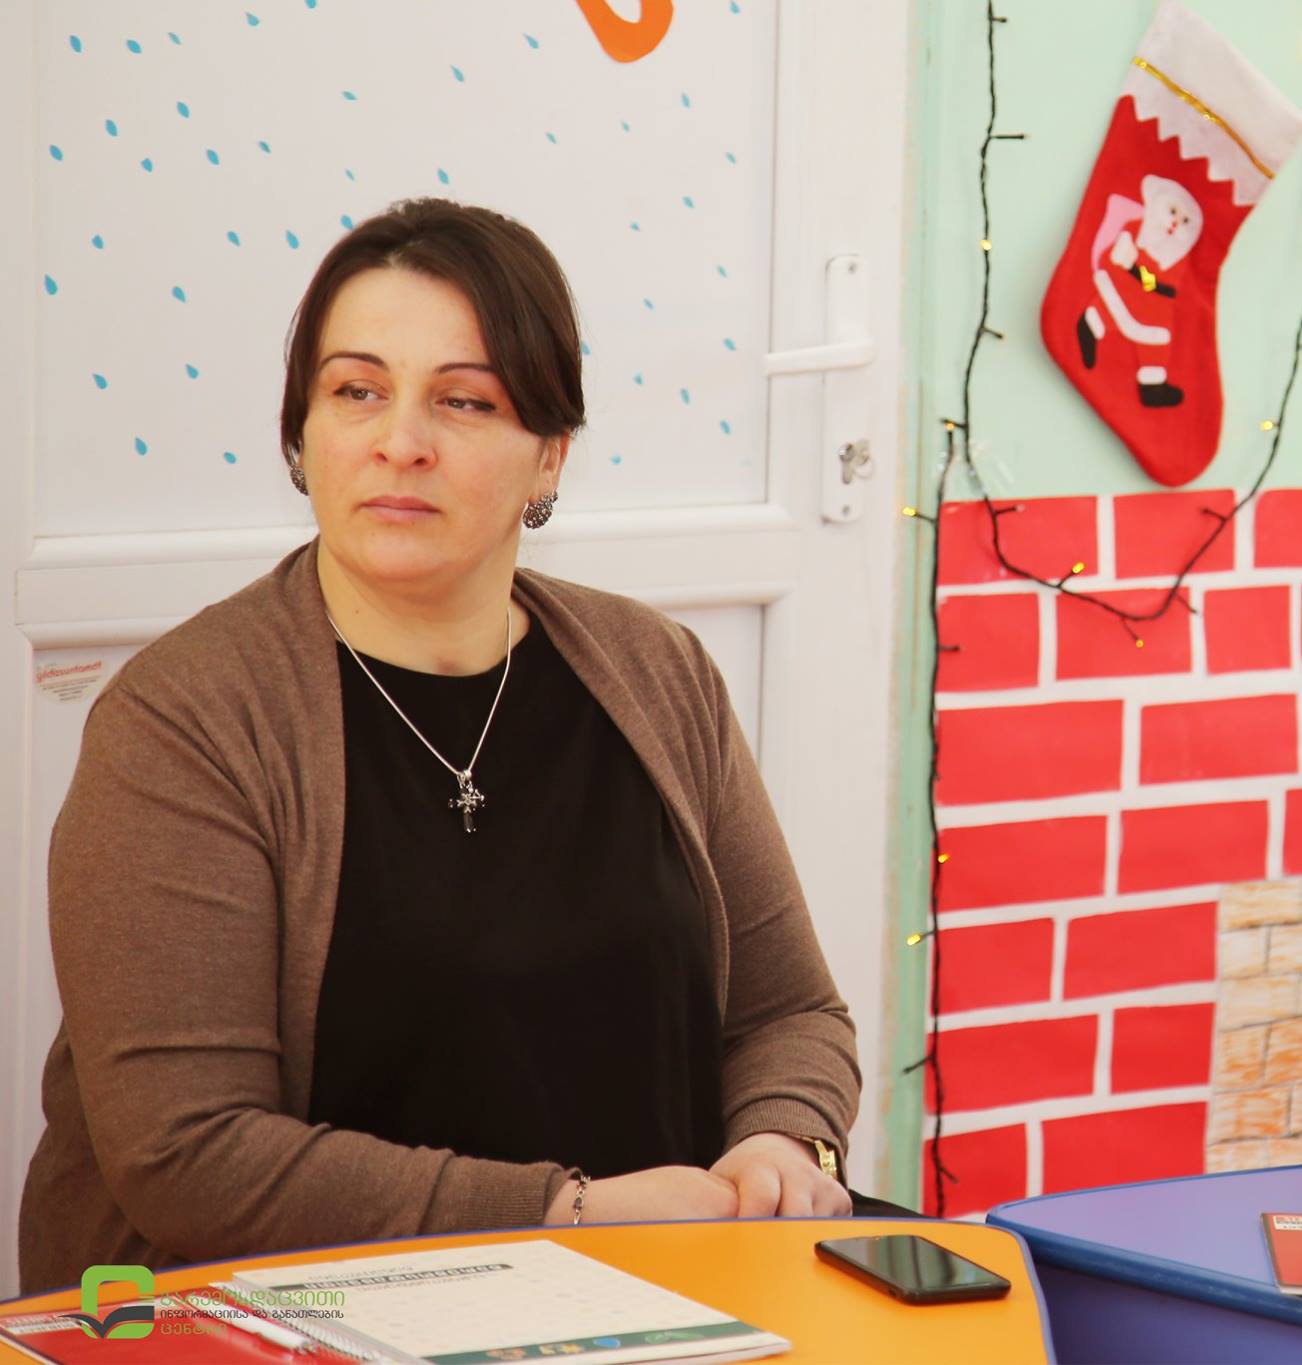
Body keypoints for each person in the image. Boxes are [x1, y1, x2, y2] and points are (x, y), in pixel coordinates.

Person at [18, 199, 861, 1293]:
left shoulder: (658, 671)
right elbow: (188, 1152)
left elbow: (789, 1012)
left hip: (656, 1297)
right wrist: (569, 1215)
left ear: (549, 455)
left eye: (463, 401)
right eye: (356, 391)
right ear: (303, 435)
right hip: (290, 1314)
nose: (399, 442)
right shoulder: (183, 722)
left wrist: (783, 1145)